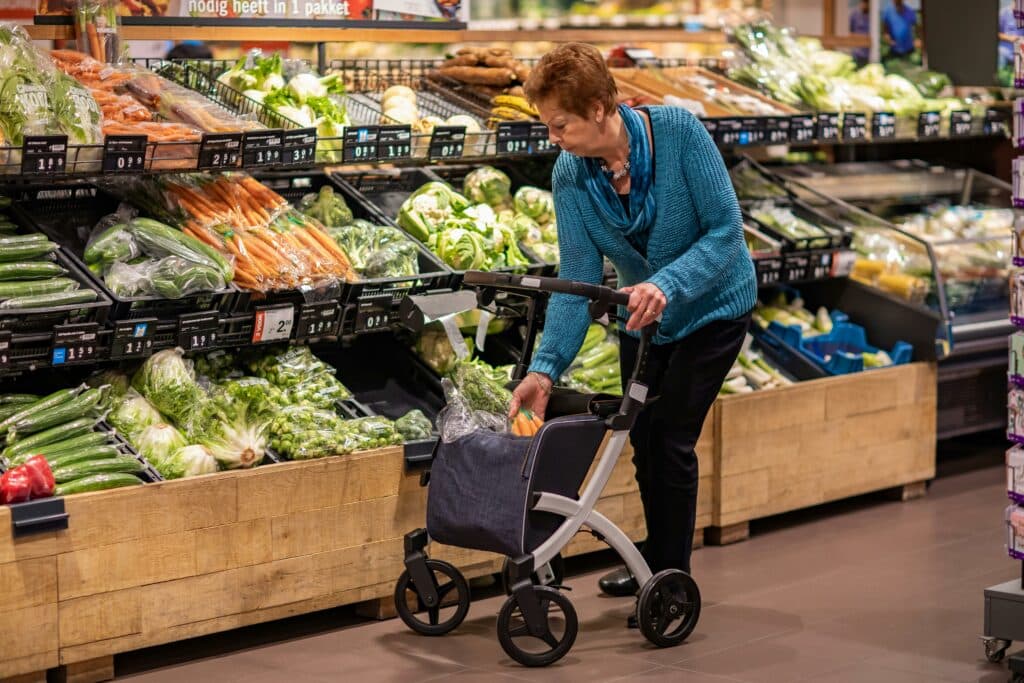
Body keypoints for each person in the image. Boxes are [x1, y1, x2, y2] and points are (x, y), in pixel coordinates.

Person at [511, 43, 756, 621]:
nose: (553, 137)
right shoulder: (571, 174)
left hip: (713, 310)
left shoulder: (678, 133)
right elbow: (578, 279)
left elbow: (726, 232)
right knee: (643, 443)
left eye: (560, 123)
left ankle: (672, 582)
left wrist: (668, 284)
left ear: (599, 108)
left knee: (671, 440)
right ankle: (653, 562)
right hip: (643, 321)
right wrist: (544, 370)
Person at [849, 0, 870, 65]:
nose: (864, 4)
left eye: (866, 2)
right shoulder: (855, 15)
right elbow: (851, 31)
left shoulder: (872, 16)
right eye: (863, 2)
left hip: (868, 53)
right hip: (857, 52)